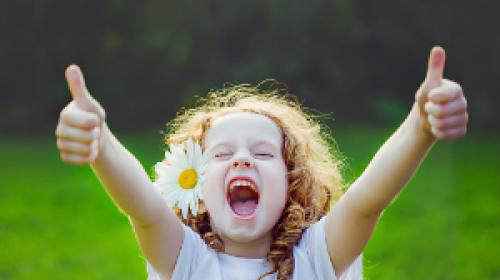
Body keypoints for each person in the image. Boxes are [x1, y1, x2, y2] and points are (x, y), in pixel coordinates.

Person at [55, 46, 468, 280]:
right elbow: (142, 208)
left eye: (264, 153)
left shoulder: (317, 258)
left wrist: (419, 127)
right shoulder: (188, 262)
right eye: (221, 153)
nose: (242, 160)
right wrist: (101, 142)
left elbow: (366, 201)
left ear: (292, 182)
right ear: (197, 184)